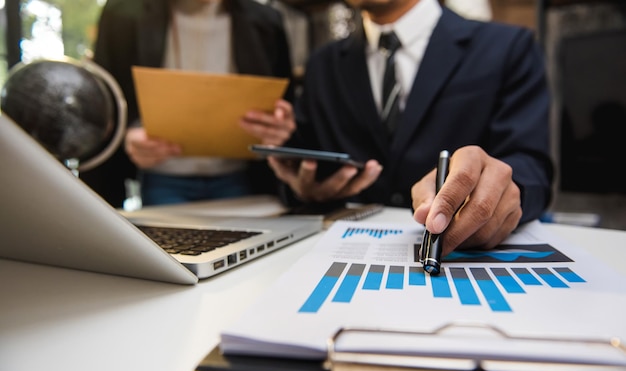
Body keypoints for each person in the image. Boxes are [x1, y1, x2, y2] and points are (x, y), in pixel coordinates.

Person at [252, 0, 553, 256]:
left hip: (465, 258)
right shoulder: (323, 65)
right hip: (344, 253)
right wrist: (301, 185)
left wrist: (504, 192)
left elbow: (531, 165)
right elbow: (309, 161)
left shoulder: (507, 47)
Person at [85, 0, 294, 207]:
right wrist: (127, 135)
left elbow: (287, 104)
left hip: (245, 178)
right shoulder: (123, 13)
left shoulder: (266, 21)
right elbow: (105, 101)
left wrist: (281, 128)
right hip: (161, 176)